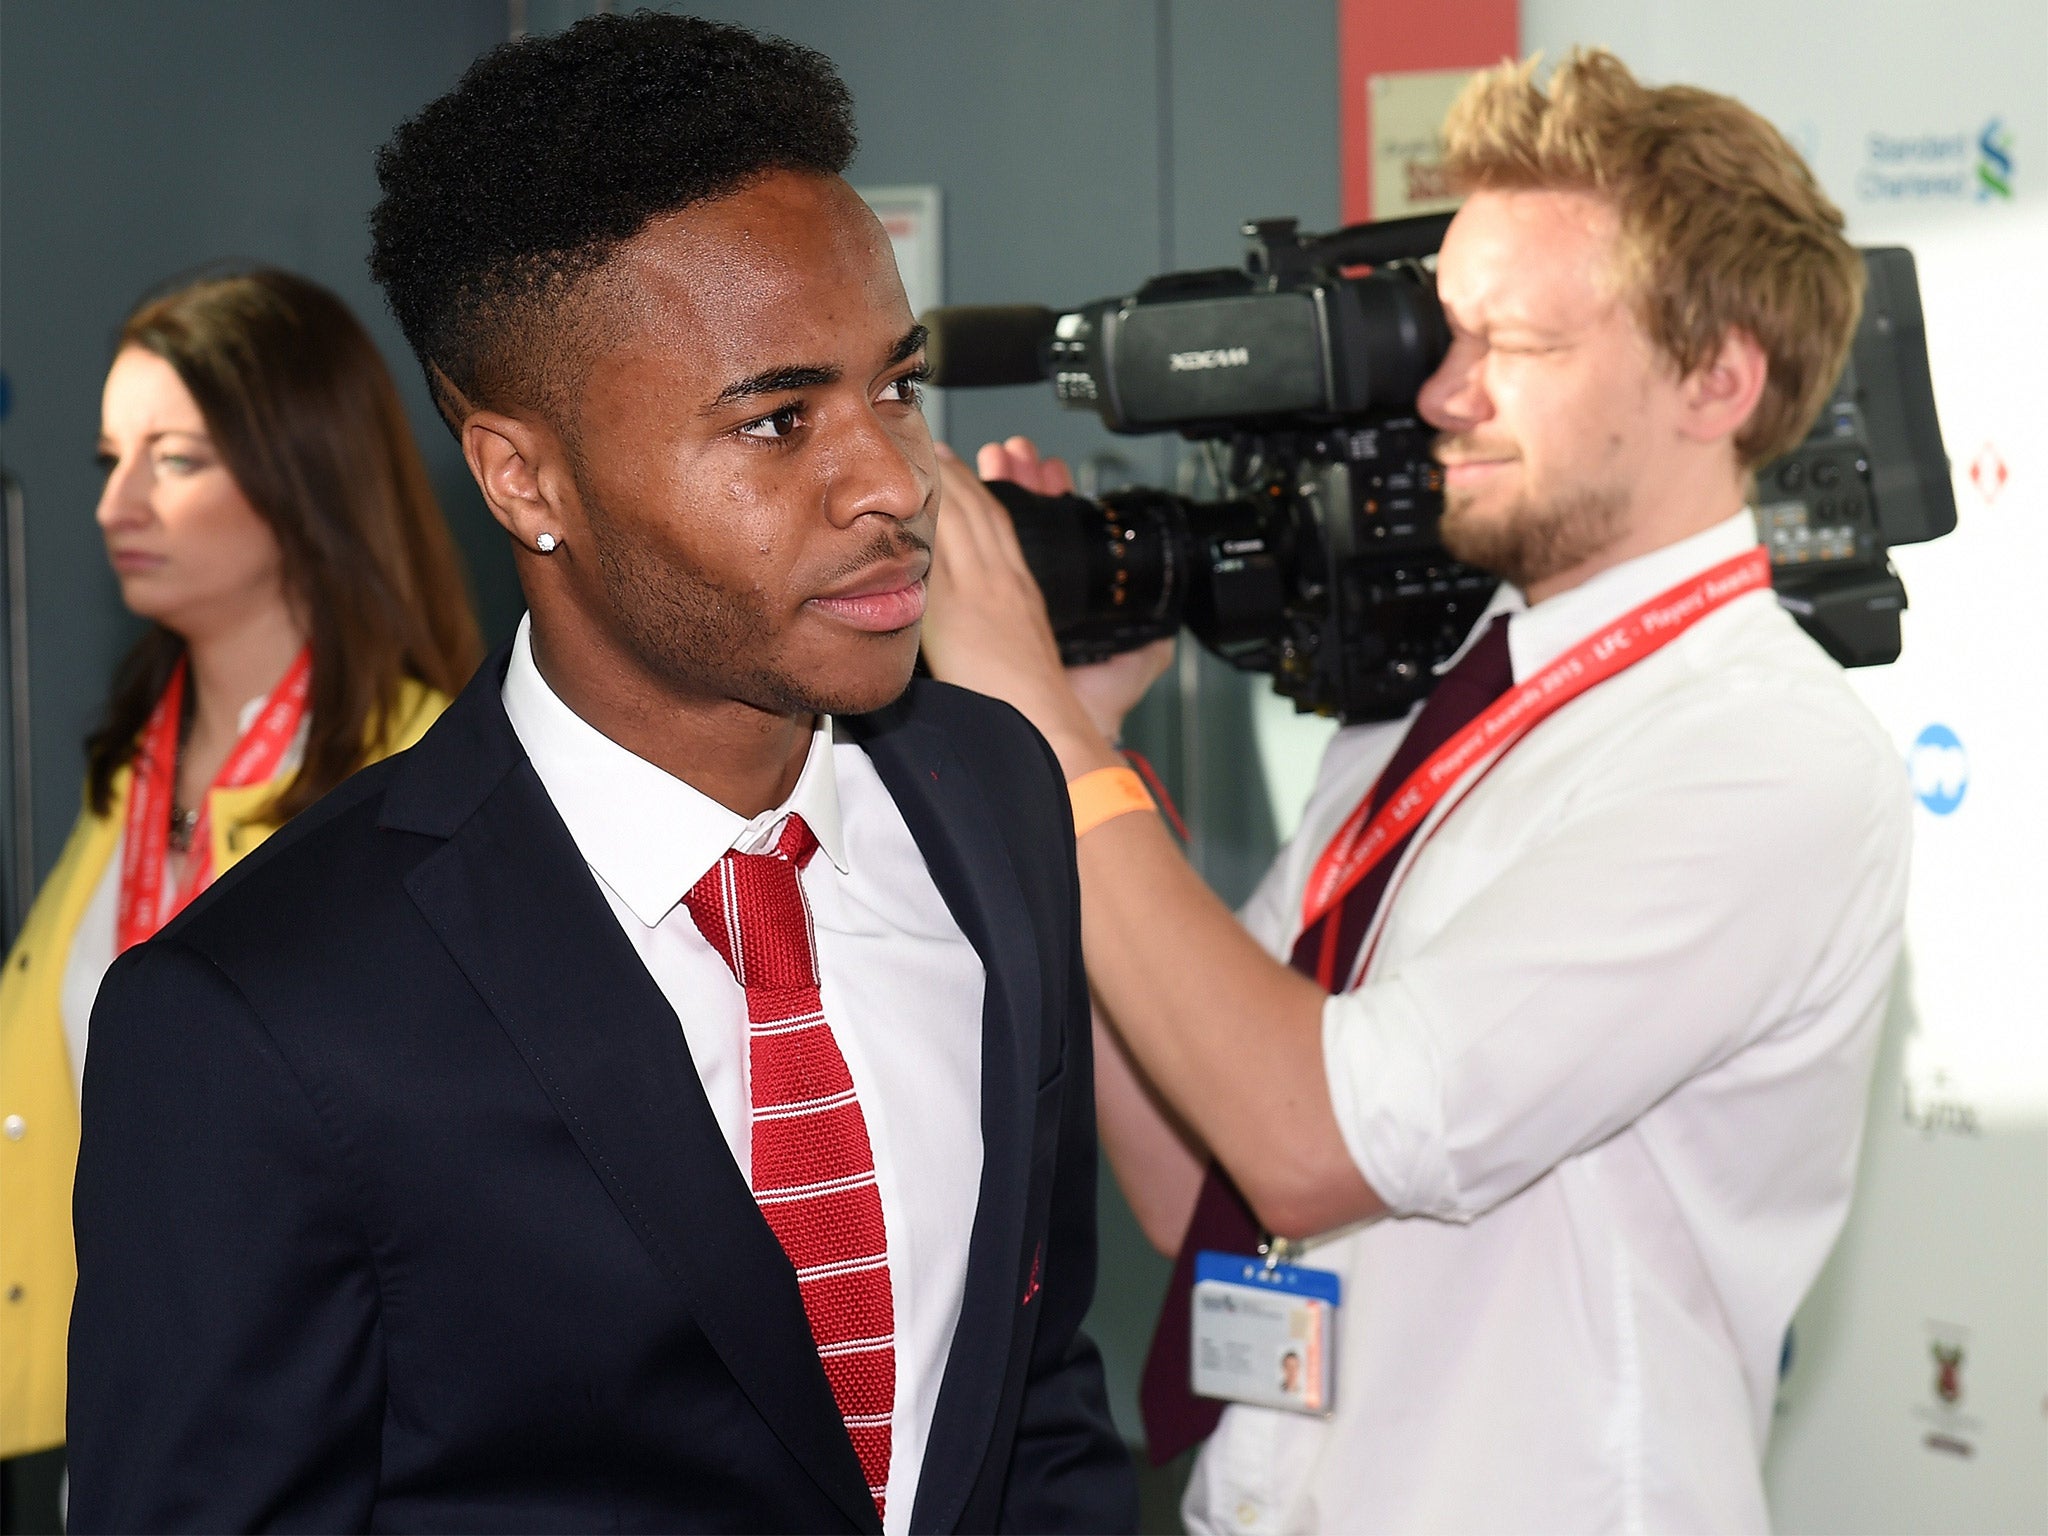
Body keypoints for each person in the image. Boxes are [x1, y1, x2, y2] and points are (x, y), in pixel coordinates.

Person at [66, 14, 1134, 1535]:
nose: (897, 482)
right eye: (778, 421)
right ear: (525, 477)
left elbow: (1035, 1409)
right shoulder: (265, 1016)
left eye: (894, 387)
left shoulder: (994, 800)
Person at [922, 49, 1911, 1533]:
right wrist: (1081, 734)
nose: (1442, 391)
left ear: (1719, 378)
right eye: (1448, 335)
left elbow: (1310, 1142)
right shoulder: (1453, 703)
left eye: (1513, 343)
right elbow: (1204, 1180)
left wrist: (1037, 734)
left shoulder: (1763, 754)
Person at [0, 267, 480, 1501]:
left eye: (176, 459)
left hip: (323, 1444)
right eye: (111, 456)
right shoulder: (128, 773)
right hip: (108, 1418)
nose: (116, 502)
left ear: (302, 471)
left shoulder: (425, 782)